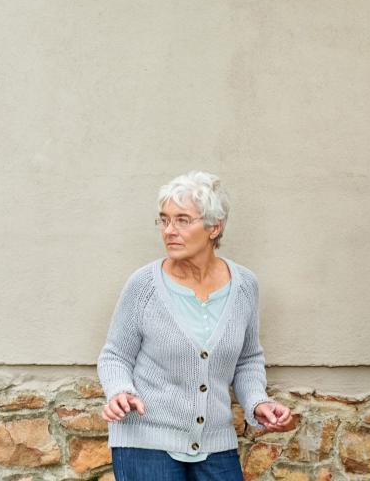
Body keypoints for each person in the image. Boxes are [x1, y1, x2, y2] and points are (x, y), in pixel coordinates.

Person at [98, 171, 292, 481]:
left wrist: (258, 402)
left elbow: (247, 360)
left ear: (214, 227)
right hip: (146, 443)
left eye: (182, 220)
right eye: (164, 220)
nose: (169, 231)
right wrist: (120, 391)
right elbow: (115, 355)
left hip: (216, 444)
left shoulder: (244, 286)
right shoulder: (143, 285)